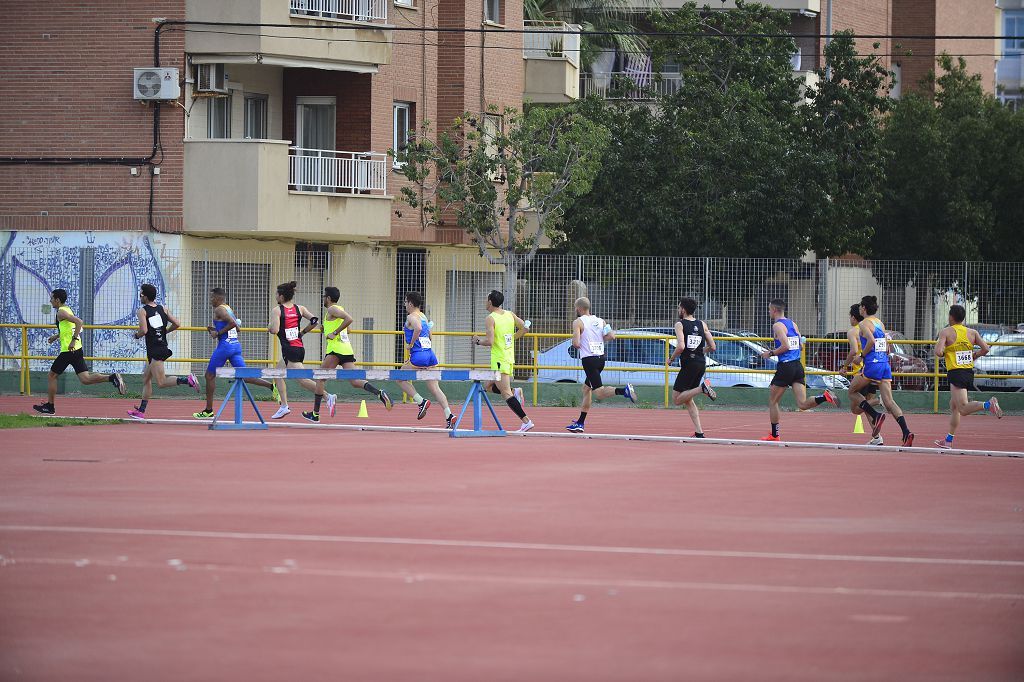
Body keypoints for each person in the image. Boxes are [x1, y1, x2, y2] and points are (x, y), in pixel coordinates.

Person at [302, 287, 392, 423]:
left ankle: (315, 414)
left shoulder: (332, 309)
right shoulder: (335, 312)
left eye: (324, 296)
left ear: (328, 298)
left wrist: (335, 332)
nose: (323, 299)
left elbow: (349, 319)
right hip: (346, 350)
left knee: (320, 379)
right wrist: (327, 329)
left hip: (335, 350)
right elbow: (348, 329)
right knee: (355, 381)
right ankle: (379, 393)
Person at [33, 288, 127, 414]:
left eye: (52, 299)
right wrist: (56, 337)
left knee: (51, 376)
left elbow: (79, 322)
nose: (50, 301)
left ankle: (50, 406)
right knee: (85, 379)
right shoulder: (66, 309)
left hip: (68, 350)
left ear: (57, 300)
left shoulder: (61, 312)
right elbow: (69, 328)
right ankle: (112, 378)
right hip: (76, 350)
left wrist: (73, 340)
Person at [759, 299, 840, 441]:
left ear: (774, 310)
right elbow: (801, 346)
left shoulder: (777, 326)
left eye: (769, 309)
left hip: (786, 366)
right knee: (802, 404)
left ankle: (774, 435)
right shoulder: (793, 324)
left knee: (773, 402)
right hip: (797, 366)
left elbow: (785, 346)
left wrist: (770, 353)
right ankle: (824, 397)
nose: (768, 312)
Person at [193, 288, 275, 419]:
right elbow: (237, 328)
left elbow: (232, 324)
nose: (210, 300)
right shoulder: (228, 308)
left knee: (209, 376)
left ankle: (208, 410)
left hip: (225, 347)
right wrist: (215, 329)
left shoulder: (219, 309)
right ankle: (271, 386)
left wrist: (218, 333)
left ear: (219, 298)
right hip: (235, 346)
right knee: (244, 375)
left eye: (212, 297)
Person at [848, 295, 915, 447]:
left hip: (872, 364)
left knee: (852, 392)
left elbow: (871, 341)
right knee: (889, 401)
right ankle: (906, 432)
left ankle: (876, 415)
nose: (859, 309)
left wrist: (861, 356)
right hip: (884, 364)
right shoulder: (880, 323)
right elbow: (885, 345)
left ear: (864, 308)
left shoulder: (864, 324)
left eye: (860, 306)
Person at [933, 304, 1002, 448]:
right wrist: (973, 355)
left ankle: (988, 405)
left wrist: (947, 351)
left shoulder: (946, 332)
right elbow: (986, 349)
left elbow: (938, 352)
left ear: (951, 317)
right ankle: (948, 440)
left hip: (956, 372)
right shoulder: (972, 332)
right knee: (954, 406)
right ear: (963, 318)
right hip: (968, 372)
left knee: (963, 408)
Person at [126, 283, 199, 419]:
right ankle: (141, 411)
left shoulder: (142, 311)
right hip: (159, 347)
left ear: (145, 296)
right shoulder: (163, 309)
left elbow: (144, 330)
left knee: (161, 382)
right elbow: (177, 323)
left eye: (141, 294)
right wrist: (165, 331)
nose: (140, 296)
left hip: (155, 349)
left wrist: (136, 335)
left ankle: (187, 380)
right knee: (146, 378)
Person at [565, 297, 637, 433]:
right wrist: (598, 339)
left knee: (599, 393)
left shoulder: (578, 322)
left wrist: (581, 343)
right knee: (586, 389)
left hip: (589, 360)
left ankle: (624, 390)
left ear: (578, 308)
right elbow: (611, 336)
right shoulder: (600, 321)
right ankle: (580, 423)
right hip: (601, 359)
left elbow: (576, 343)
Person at [472, 290, 534, 432]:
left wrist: (477, 341)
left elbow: (490, 341)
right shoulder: (509, 314)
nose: (484, 301)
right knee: (488, 386)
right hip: (508, 357)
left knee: (505, 392)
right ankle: (515, 391)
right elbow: (525, 327)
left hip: (500, 359)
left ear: (490, 302)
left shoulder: (490, 318)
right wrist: (512, 337)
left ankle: (526, 421)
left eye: (486, 298)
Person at [266, 281, 327, 420]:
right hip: (299, 347)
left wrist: (269, 326)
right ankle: (284, 406)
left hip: (289, 349)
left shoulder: (277, 310)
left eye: (276, 294)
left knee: (302, 380)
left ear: (281, 296)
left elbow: (274, 330)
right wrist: (302, 332)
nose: (275, 296)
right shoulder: (300, 308)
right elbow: (315, 321)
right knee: (278, 372)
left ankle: (327, 396)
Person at [394, 291, 455, 428]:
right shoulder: (423, 316)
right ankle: (449, 415)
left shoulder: (411, 317)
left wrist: (410, 344)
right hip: (430, 355)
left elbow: (418, 328)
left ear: (410, 303)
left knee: (399, 377)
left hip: (419, 356)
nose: (404, 305)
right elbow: (429, 335)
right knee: (434, 387)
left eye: (405, 302)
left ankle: (421, 401)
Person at [666, 297, 717, 438]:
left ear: (683, 309)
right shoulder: (702, 324)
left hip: (689, 365)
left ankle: (702, 388)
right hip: (701, 364)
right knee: (688, 399)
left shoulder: (680, 324)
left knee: (676, 400)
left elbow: (681, 346)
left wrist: (671, 359)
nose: (678, 310)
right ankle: (699, 432)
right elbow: (713, 347)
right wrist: (699, 351)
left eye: (678, 307)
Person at [841, 303, 884, 445]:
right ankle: (877, 437)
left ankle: (879, 401)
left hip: (863, 370)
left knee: (855, 408)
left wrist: (844, 366)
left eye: (850, 316)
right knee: (866, 408)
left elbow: (853, 351)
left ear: (854, 317)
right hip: (876, 366)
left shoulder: (854, 330)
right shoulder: (873, 325)